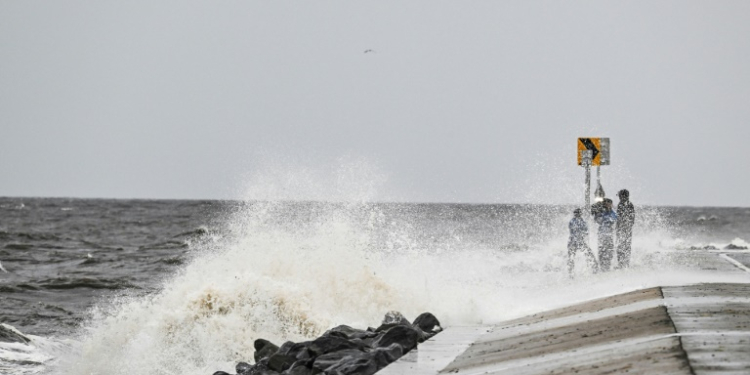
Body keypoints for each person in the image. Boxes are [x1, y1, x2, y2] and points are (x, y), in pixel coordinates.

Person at [568, 208, 598, 275]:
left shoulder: (572, 221)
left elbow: (573, 230)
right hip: (578, 241)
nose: (577, 215)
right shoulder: (581, 221)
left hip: (573, 241)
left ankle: (571, 272)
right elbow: (586, 231)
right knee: (588, 254)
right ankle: (594, 267)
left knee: (571, 257)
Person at [594, 198, 618, 272]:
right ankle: (601, 268)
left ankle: (607, 267)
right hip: (602, 235)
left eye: (609, 204)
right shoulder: (600, 212)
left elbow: (614, 219)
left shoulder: (612, 212)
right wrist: (599, 213)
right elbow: (597, 220)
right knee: (601, 252)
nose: (608, 205)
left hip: (609, 235)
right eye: (607, 203)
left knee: (610, 252)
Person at [616, 189, 636, 268]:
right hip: (628, 229)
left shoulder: (620, 204)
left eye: (620, 196)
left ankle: (621, 264)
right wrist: (630, 225)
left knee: (620, 246)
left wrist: (618, 228)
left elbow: (619, 218)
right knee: (627, 246)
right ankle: (626, 263)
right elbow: (632, 218)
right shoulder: (630, 204)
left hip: (622, 229)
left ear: (622, 196)